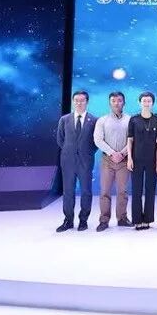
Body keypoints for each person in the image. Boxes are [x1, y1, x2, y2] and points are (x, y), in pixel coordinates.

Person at [56, 90, 97, 232]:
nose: (79, 103)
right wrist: (71, 151)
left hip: (85, 161)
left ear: (87, 102)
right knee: (68, 191)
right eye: (76, 100)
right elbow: (60, 140)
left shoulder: (94, 120)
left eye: (82, 100)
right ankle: (68, 220)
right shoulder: (64, 119)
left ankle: (83, 220)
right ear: (73, 102)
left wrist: (86, 153)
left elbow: (96, 142)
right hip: (68, 161)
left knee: (86, 191)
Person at [93, 91, 131, 232]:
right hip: (107, 160)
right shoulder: (102, 120)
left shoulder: (130, 120)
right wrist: (112, 153)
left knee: (123, 191)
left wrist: (122, 153)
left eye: (119, 100)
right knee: (105, 191)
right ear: (110, 103)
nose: (116, 103)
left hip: (124, 160)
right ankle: (104, 220)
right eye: (113, 100)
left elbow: (132, 140)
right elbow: (98, 139)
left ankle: (122, 218)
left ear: (124, 102)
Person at [127, 91, 157, 230]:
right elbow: (130, 140)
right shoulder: (134, 119)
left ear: (152, 103)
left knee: (150, 190)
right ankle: (137, 220)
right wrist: (129, 158)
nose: (146, 103)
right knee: (136, 190)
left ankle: (147, 219)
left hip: (152, 160)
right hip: (136, 159)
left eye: (149, 101)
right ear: (139, 102)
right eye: (144, 101)